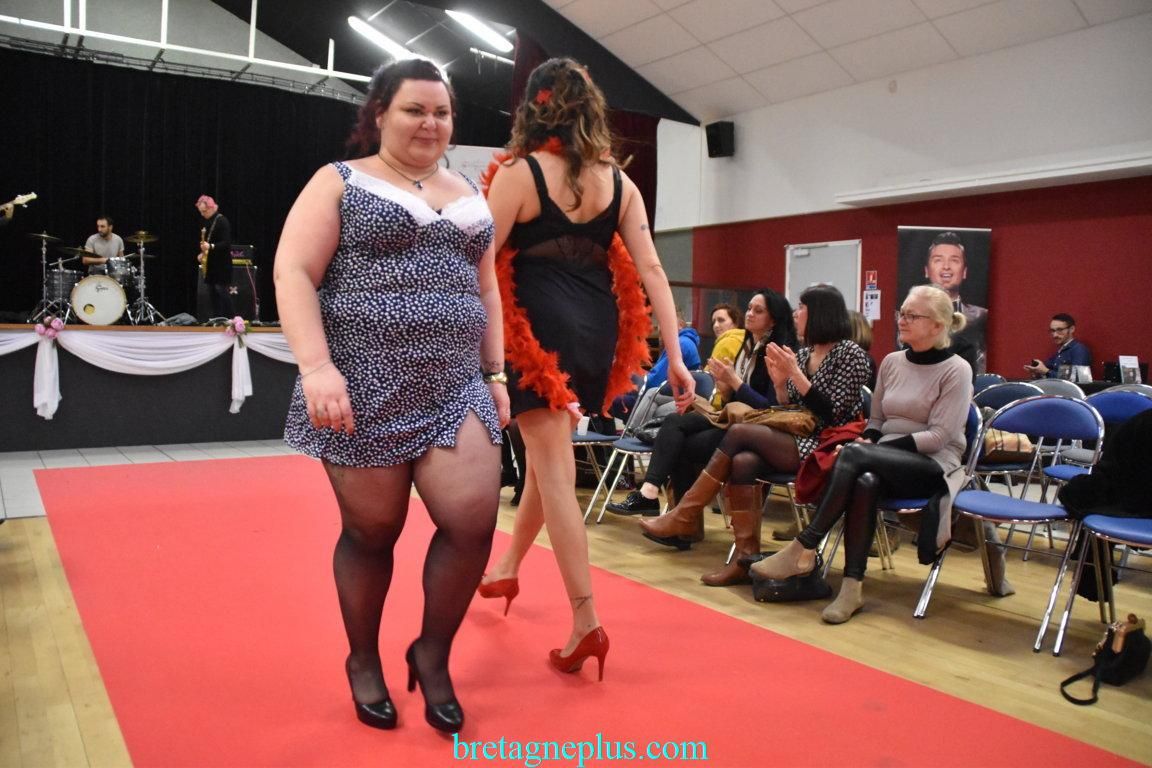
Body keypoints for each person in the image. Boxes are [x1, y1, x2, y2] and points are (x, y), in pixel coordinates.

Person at [274, 58, 509, 734]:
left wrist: (495, 376)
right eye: (414, 109)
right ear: (380, 113)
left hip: (456, 385)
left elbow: (487, 288)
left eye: (442, 112)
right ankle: (362, 658)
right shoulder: (339, 181)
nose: (430, 123)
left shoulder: (469, 191)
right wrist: (317, 368)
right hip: (361, 384)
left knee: (472, 524)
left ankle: (432, 653)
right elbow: (293, 271)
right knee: (373, 533)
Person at [477, 57, 694, 680]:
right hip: (599, 331)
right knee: (549, 459)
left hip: (536, 331)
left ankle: (585, 619)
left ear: (534, 107)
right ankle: (508, 566)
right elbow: (652, 270)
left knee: (552, 468)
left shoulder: (518, 174)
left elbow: (479, 266)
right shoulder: (620, 184)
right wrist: (677, 356)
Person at [750, 285, 974, 622]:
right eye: (901, 313)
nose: (902, 320)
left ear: (938, 326)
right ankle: (851, 589)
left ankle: (805, 545)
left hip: (934, 464)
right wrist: (869, 442)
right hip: (880, 459)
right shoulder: (893, 362)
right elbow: (877, 421)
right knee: (865, 481)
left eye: (913, 316)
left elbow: (938, 437)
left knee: (854, 455)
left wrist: (870, 448)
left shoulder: (957, 369)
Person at [640, 285, 872, 586]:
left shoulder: (850, 354)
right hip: (796, 433)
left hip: (828, 443)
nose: (796, 314)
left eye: (802, 308)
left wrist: (794, 375)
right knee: (743, 461)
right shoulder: (804, 354)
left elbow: (833, 414)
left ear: (820, 313)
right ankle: (744, 559)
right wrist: (780, 384)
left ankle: (685, 514)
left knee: (738, 433)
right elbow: (785, 408)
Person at [605, 290, 795, 518]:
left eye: (758, 310)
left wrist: (733, 382)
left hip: (755, 431)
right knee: (674, 421)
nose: (750, 313)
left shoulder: (777, 353)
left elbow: (770, 408)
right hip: (732, 418)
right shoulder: (746, 346)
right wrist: (726, 388)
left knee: (680, 443)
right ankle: (651, 494)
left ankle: (680, 520)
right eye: (749, 308)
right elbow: (734, 401)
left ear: (773, 320)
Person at [923, 231, 987, 373]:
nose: (946, 266)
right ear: (926, 270)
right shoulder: (908, 317)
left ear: (964, 272)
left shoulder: (981, 316)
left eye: (954, 260)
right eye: (938, 260)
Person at [195, 195, 234, 318]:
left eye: (204, 211)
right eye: (201, 212)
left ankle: (231, 318)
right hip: (211, 263)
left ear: (212, 208)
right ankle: (217, 319)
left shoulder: (222, 221)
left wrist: (210, 246)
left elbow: (226, 243)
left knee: (222, 291)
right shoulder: (207, 221)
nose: (202, 214)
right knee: (212, 293)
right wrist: (203, 254)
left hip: (222, 263)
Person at [1024, 313, 1091, 379]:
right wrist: (1037, 371)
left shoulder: (1079, 350)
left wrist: (1046, 371)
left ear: (1072, 329)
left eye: (1060, 330)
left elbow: (1080, 378)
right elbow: (1051, 373)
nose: (1055, 335)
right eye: (1052, 331)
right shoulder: (1059, 352)